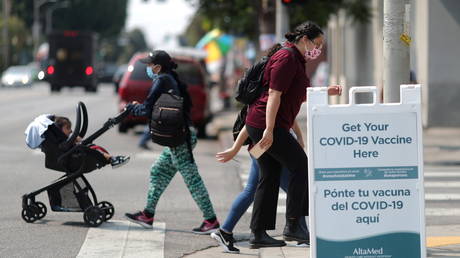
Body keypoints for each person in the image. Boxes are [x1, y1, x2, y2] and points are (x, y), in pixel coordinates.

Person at [244, 21, 342, 249]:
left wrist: (325, 91)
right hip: (267, 124)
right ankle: (293, 224)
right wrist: (269, 130)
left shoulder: (296, 59)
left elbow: (295, 94)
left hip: (267, 123)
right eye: (316, 43)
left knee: (269, 176)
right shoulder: (287, 58)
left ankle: (258, 233)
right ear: (304, 39)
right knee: (301, 166)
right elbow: (274, 95)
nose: (317, 48)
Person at [124, 50, 220, 234]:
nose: (148, 68)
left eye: (150, 65)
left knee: (193, 180)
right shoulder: (168, 78)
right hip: (180, 138)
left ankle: (211, 221)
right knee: (158, 171)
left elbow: (147, 109)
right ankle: (147, 214)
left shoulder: (161, 80)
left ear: (158, 67)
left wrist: (131, 108)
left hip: (180, 140)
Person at [212, 124, 309, 254]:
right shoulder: (267, 103)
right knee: (296, 189)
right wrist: (234, 149)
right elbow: (249, 124)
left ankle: (224, 231)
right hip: (270, 147)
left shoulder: (279, 103)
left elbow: (290, 117)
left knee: (251, 191)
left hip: (261, 147)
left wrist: (300, 138)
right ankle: (301, 235)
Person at [54, 116, 130, 168]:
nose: (70, 130)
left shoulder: (65, 139)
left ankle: (111, 159)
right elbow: (68, 146)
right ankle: (112, 159)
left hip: (78, 153)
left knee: (92, 147)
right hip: (75, 158)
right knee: (91, 149)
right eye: (67, 128)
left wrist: (75, 138)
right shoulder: (63, 141)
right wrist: (74, 139)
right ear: (59, 130)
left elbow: (79, 140)